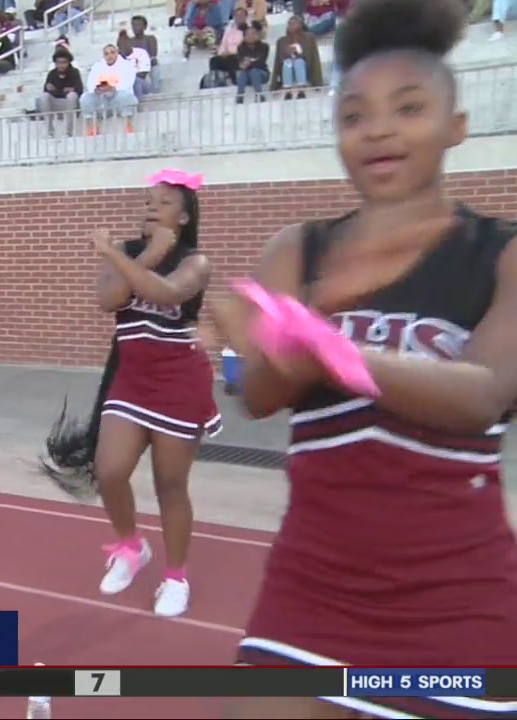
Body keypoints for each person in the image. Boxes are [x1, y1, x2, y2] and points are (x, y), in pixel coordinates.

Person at [211, 0, 517, 716]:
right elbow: (258, 396)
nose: (378, 128)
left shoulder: (501, 255)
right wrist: (269, 346)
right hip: (310, 592)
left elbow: (484, 394)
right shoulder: (298, 248)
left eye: (408, 108)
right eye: (353, 115)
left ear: (456, 127)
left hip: (458, 606)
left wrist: (325, 346)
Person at [40, 169, 219, 619]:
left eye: (162, 203)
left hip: (180, 383)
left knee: (170, 485)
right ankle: (131, 547)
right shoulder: (124, 252)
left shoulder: (194, 262)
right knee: (110, 469)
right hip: (132, 381)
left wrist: (156, 254)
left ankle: (176, 577)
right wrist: (138, 254)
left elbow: (167, 291)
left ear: (182, 217)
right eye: (148, 202)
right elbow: (111, 300)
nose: (150, 209)